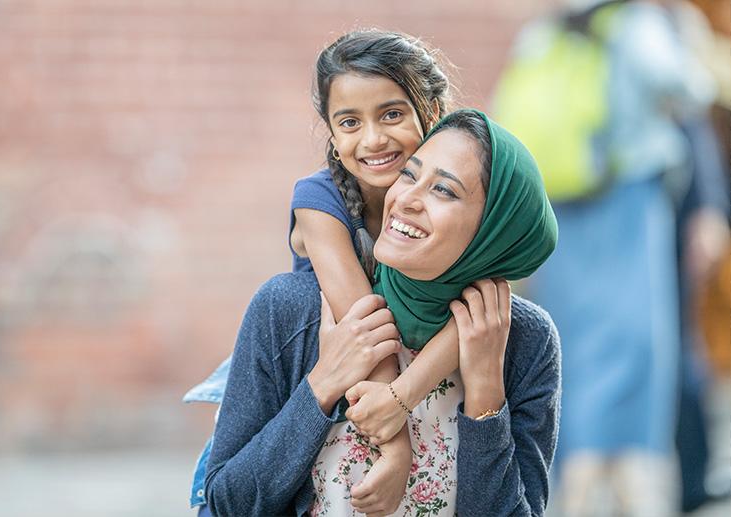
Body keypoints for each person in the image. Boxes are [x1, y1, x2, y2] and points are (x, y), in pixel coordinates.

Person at [204, 108, 560, 516]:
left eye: (443, 190)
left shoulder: (524, 339)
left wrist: (484, 392)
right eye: (409, 174)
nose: (406, 199)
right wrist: (321, 385)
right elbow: (227, 504)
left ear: (496, 231)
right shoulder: (292, 308)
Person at [187, 29, 472, 514]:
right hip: (316, 381)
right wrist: (397, 443)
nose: (373, 138)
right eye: (349, 122)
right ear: (332, 135)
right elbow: (365, 323)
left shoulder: (459, 201)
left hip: (405, 392)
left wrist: (405, 399)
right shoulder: (320, 201)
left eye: (392, 114)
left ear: (434, 114)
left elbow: (483, 305)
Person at [515, 1, 717, 514]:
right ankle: (624, 488)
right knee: (637, 347)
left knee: (572, 346)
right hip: (627, 202)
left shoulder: (546, 34)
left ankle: (569, 484)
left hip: (562, 208)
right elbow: (691, 87)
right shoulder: (636, 24)